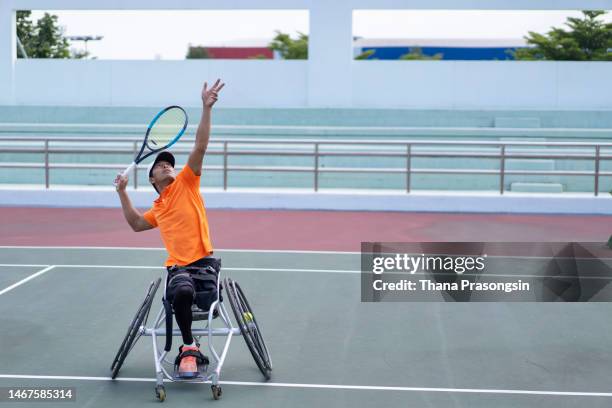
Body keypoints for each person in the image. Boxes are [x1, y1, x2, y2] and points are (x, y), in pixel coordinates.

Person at [114, 79, 225, 378]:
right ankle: (188, 348)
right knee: (182, 290)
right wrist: (122, 193)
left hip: (205, 264)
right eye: (160, 166)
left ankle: (190, 346)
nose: (166, 166)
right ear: (151, 179)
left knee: (192, 291)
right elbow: (137, 224)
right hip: (178, 269)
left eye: (168, 163)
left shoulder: (188, 183)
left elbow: (200, 145)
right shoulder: (159, 208)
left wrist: (206, 107)